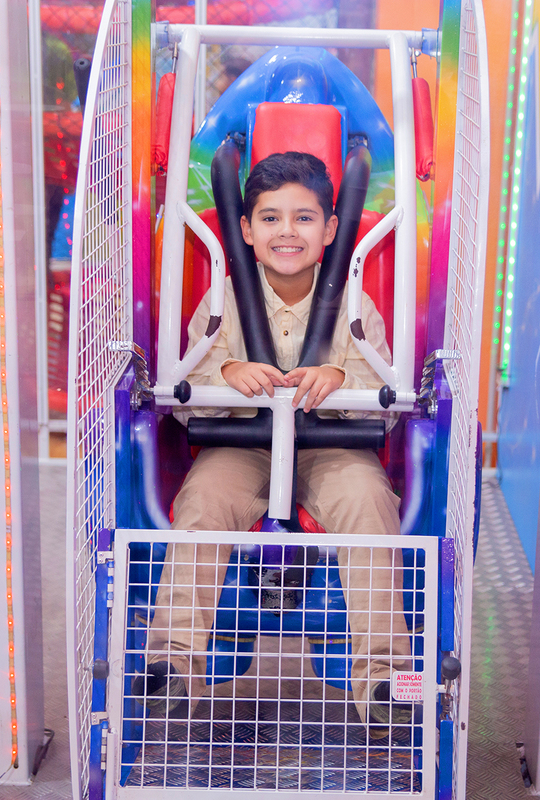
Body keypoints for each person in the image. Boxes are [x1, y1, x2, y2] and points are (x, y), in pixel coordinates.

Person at [139, 151, 412, 737]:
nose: (287, 231)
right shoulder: (221, 303)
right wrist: (230, 372)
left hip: (330, 448)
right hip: (243, 447)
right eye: (270, 218)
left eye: (304, 218)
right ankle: (173, 662)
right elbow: (192, 391)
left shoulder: (354, 305)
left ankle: (386, 679)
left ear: (331, 229)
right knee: (202, 504)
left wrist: (340, 379)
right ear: (245, 229)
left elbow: (384, 390)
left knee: (369, 501)